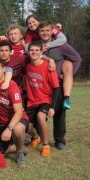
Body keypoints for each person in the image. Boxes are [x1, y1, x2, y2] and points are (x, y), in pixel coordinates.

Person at [38, 21, 81, 150]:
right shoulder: (38, 46)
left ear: (52, 31)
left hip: (58, 85)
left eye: (47, 30)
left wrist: (70, 73)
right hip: (41, 86)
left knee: (59, 114)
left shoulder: (62, 45)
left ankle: (59, 140)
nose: (45, 33)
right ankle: (39, 137)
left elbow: (77, 58)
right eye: (42, 31)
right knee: (40, 113)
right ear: (38, 33)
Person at [0, 57, 29, 165]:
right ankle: (12, 146)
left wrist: (9, 128)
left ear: (4, 69)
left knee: (17, 129)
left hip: (17, 120)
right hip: (1, 123)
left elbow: (19, 112)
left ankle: (19, 152)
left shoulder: (11, 86)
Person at [25, 15, 73, 109]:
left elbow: (63, 39)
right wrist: (46, 58)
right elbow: (27, 50)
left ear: (39, 21)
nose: (32, 24)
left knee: (68, 64)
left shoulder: (51, 28)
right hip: (40, 74)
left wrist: (48, 45)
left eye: (33, 22)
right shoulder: (29, 35)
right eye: (29, 23)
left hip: (56, 78)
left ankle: (67, 98)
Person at [25, 41, 59, 157]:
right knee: (26, 125)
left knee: (40, 117)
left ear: (41, 51)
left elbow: (56, 87)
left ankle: (46, 145)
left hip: (45, 99)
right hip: (31, 101)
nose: (34, 52)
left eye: (36, 50)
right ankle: (36, 137)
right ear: (28, 52)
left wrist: (53, 107)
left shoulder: (48, 66)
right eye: (31, 50)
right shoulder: (28, 66)